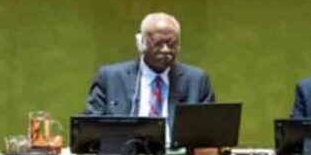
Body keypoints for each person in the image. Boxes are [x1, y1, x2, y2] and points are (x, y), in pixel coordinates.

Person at [84, 12, 215, 140]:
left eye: (171, 43)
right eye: (158, 43)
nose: (165, 49)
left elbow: (210, 132)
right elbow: (91, 129)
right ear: (141, 43)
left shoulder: (197, 80)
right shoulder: (110, 78)